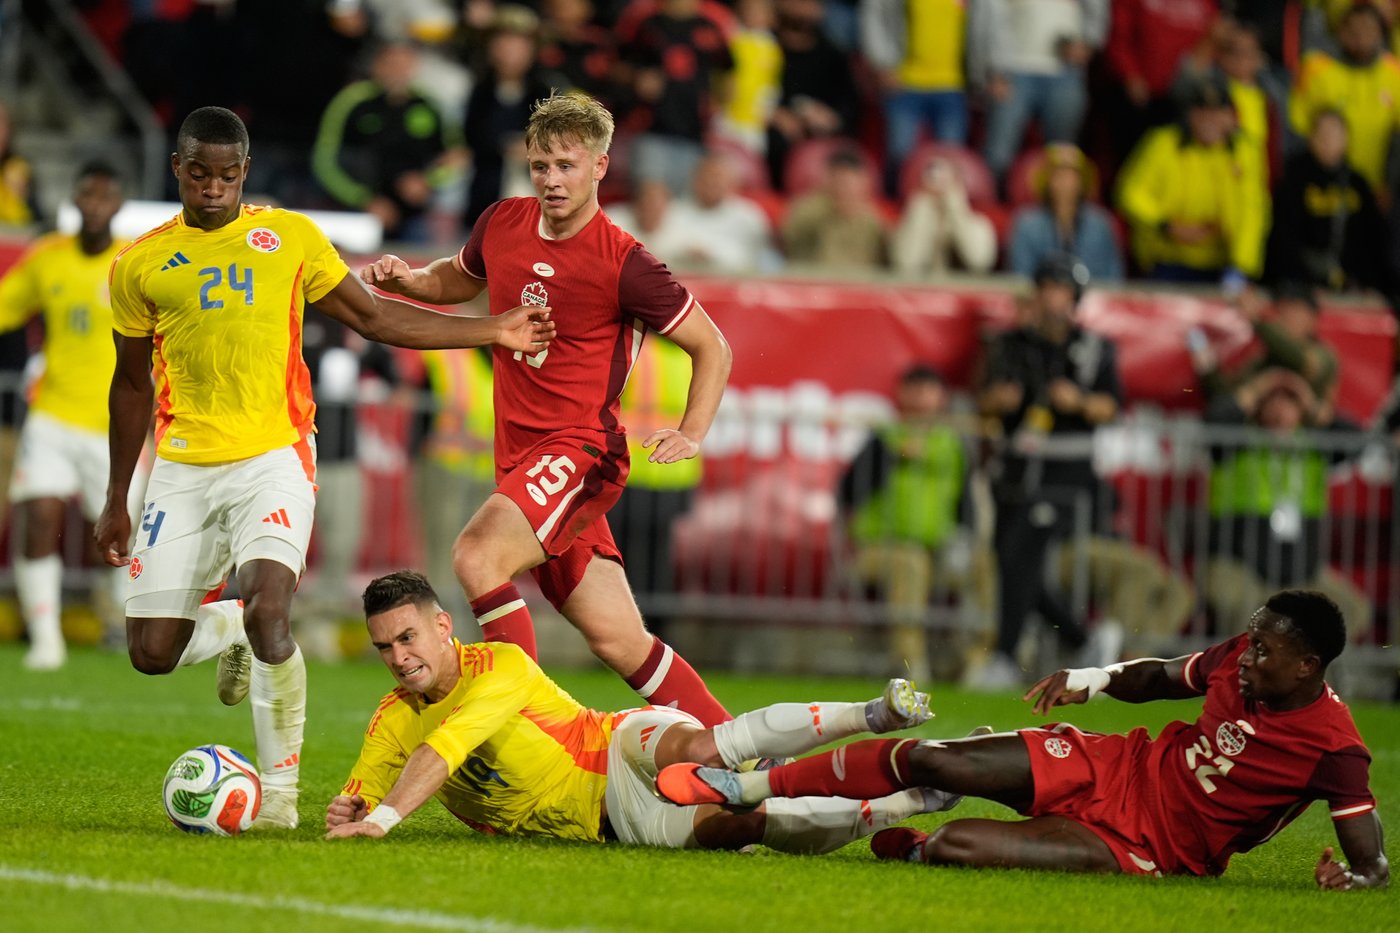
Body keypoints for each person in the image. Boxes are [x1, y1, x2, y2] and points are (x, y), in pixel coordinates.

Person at [96, 106, 554, 830]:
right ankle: (235, 630)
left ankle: (278, 801)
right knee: (151, 653)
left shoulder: (290, 238)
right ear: (178, 168)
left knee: (273, 608)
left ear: (244, 172)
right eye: (198, 173)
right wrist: (117, 495)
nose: (213, 187)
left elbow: (375, 316)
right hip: (183, 464)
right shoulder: (141, 263)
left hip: (275, 454)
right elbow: (128, 384)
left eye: (227, 174)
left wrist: (491, 328)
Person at [359, 92, 735, 726]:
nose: (551, 180)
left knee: (477, 556)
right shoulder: (503, 221)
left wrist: (693, 432)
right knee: (619, 640)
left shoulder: (625, 262)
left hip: (580, 451)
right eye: (540, 166)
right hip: (523, 462)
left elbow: (712, 346)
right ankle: (736, 748)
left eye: (566, 165)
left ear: (599, 167)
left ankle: (507, 724)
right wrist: (410, 280)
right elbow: (458, 278)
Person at [658, 590, 1390, 889]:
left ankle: (902, 818)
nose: (1250, 656)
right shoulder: (1239, 659)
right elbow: (1166, 675)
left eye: (1265, 651)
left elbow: (1374, 863)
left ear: (1308, 665)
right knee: (929, 753)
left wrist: (1354, 876)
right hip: (1117, 766)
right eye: (1252, 642)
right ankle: (747, 783)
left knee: (953, 848)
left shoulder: (1336, 747)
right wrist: (1095, 678)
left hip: (1155, 848)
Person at [325, 570, 946, 851]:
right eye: (384, 647)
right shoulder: (393, 717)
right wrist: (352, 806)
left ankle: (872, 715)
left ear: (441, 626)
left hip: (615, 745)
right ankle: (904, 803)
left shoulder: (501, 666)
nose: (398, 657)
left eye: (407, 638)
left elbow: (443, 752)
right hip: (609, 823)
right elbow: (366, 787)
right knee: (744, 826)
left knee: (701, 745)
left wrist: (382, 821)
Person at [0, 161, 137, 669]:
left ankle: (118, 629)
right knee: (38, 516)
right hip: (53, 415)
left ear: (119, 204)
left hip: (115, 427)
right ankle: (45, 640)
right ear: (74, 201)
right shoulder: (47, 258)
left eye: (106, 196)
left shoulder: (132, 260)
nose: (96, 204)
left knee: (120, 540)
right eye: (87, 195)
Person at [973, 253, 1123, 689]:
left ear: (1074, 299)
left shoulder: (1096, 350)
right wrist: (997, 401)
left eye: (1061, 291)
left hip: (1066, 473)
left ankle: (1003, 656)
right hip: (1016, 468)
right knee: (1011, 561)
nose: (1053, 299)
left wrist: (1077, 402)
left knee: (1020, 554)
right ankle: (1086, 639)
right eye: (1046, 289)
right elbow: (982, 401)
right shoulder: (1009, 345)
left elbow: (1111, 407)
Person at [837, 364, 993, 684]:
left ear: (941, 397)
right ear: (901, 394)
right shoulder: (884, 438)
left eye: (929, 390)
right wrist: (891, 458)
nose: (922, 398)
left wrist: (964, 540)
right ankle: (910, 665)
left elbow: (965, 504)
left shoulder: (952, 444)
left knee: (983, 564)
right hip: (879, 551)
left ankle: (977, 663)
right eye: (916, 389)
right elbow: (848, 493)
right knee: (910, 563)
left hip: (938, 551)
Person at [1201, 367, 1372, 645]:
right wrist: (1257, 388)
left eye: (1290, 400)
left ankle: (1313, 678)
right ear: (1258, 405)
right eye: (1272, 399)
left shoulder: (1314, 447)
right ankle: (1238, 682)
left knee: (1351, 607)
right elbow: (1213, 421)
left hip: (1301, 571)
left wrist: (1311, 401)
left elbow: (1358, 441)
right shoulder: (1235, 441)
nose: (1281, 409)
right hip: (1239, 565)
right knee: (1246, 608)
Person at [1116, 71, 1269, 286]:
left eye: (1217, 113)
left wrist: (1241, 267)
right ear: (1190, 115)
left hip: (1222, 264)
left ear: (1230, 117)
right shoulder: (1164, 142)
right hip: (1167, 258)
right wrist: (1166, 225)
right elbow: (1130, 192)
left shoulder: (1244, 153)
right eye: (1202, 113)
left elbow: (1252, 212)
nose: (1210, 121)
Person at [311, 41, 462, 243]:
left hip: (413, 217)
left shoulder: (429, 105)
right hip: (357, 214)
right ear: (377, 66)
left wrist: (427, 181)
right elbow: (324, 161)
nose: (398, 71)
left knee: (419, 271)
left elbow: (457, 157)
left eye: (405, 65)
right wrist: (364, 200)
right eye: (391, 64)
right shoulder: (352, 101)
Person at [967, 0, 1108, 185]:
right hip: (1011, 71)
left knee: (1064, 157)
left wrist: (1088, 43)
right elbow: (983, 19)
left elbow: (1097, 11)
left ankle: (1057, 212)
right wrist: (989, 72)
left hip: (1065, 71)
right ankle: (992, 208)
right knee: (998, 155)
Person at [1266, 109, 1394, 301]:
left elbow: (1371, 240)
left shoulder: (1358, 183)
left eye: (1335, 134)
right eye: (1322, 134)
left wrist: (1369, 283)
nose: (1328, 141)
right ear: (1311, 138)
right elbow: (1283, 238)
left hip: (1351, 285)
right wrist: (1299, 283)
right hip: (1302, 286)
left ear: (1346, 139)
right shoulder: (1293, 179)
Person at [1290, 2, 1400, 202]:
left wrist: (1390, 183)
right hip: (1323, 191)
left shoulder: (1394, 73)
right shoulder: (1316, 68)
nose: (1360, 36)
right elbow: (1298, 130)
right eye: (1352, 29)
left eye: (1367, 29)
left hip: (1377, 191)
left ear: (1381, 34)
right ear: (1340, 31)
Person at [1008, 143, 1123, 283]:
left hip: (1092, 302)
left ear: (1082, 181)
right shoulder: (1026, 224)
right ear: (1047, 180)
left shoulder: (1101, 225)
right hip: (1043, 303)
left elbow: (1113, 280)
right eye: (1058, 175)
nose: (1065, 183)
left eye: (1072, 176)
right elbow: (1020, 279)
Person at [890, 155, 998, 277]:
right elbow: (905, 264)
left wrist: (956, 208)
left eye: (947, 180)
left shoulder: (979, 224)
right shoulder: (909, 222)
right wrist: (920, 209)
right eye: (932, 179)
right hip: (919, 291)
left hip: (963, 292)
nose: (940, 188)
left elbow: (979, 262)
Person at [781, 146, 888, 269]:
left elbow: (886, 260)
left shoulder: (871, 218)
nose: (844, 188)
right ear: (827, 178)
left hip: (860, 283)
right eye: (839, 180)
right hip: (815, 280)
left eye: (849, 181)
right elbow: (788, 237)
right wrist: (831, 207)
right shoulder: (808, 209)